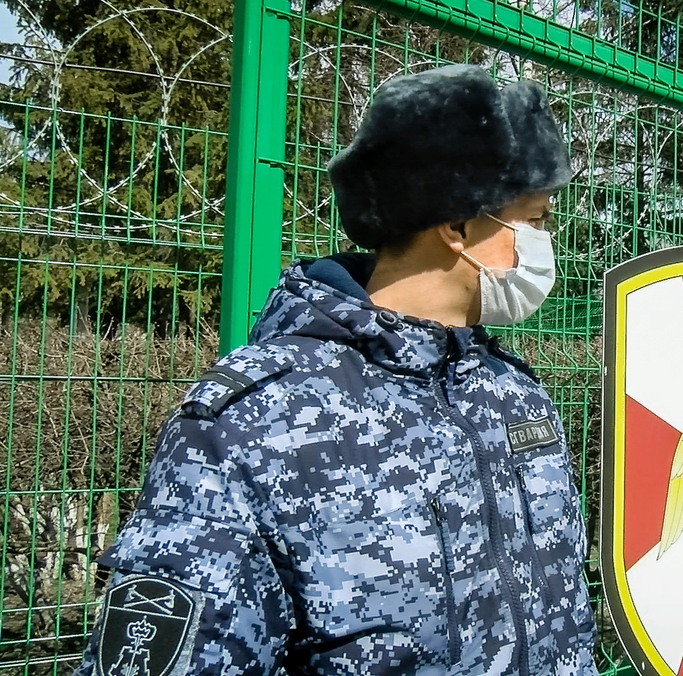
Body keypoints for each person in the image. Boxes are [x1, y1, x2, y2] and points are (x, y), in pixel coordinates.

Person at [72, 64, 597, 676]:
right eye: (534, 221)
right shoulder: (250, 423)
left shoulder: (510, 390)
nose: (545, 242)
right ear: (456, 226)